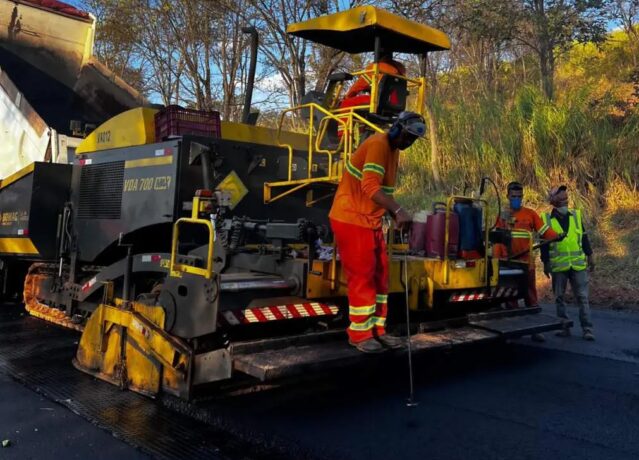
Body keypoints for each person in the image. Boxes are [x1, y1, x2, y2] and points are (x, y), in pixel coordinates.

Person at [329, 111, 426, 353]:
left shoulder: (392, 151)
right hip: (351, 217)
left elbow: (383, 191)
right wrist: (398, 209)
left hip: (369, 221)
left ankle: (378, 330)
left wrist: (395, 214)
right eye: (408, 136)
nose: (409, 143)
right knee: (362, 275)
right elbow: (370, 186)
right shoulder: (378, 144)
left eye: (413, 139)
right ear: (397, 129)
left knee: (381, 275)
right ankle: (360, 334)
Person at [494, 181, 560, 342]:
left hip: (526, 262)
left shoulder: (530, 214)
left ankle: (535, 330)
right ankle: (515, 330)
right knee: (510, 296)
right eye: (513, 196)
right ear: (507, 196)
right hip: (507, 262)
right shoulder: (502, 216)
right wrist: (497, 261)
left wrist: (556, 235)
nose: (516, 199)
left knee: (530, 295)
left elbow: (544, 231)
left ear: (522, 197)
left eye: (519, 196)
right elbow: (496, 239)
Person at [541, 185, 595, 341]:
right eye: (560, 196)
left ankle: (587, 329)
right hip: (559, 266)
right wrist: (546, 263)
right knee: (559, 297)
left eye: (566, 196)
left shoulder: (576, 216)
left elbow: (583, 238)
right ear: (552, 200)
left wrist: (590, 256)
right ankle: (564, 327)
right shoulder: (546, 220)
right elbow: (544, 244)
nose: (565, 198)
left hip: (578, 265)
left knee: (583, 298)